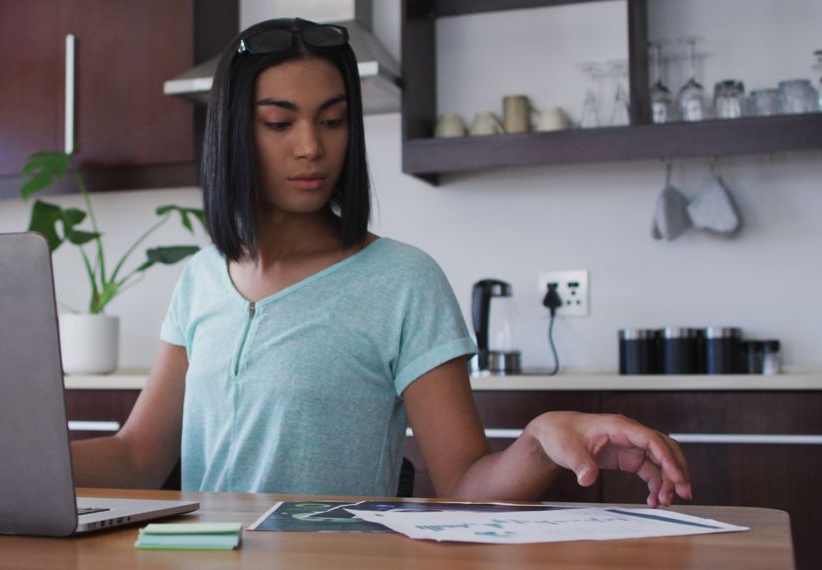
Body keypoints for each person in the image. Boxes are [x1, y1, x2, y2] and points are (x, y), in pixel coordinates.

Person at [71, 17, 692, 508]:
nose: (312, 146)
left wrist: (537, 441)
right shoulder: (202, 278)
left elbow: (463, 485)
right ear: (234, 132)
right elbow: (137, 458)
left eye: (333, 120)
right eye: (279, 123)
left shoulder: (402, 281)